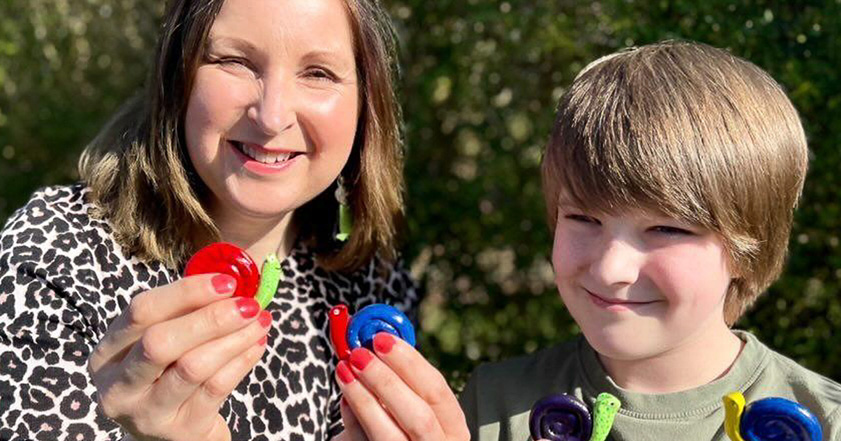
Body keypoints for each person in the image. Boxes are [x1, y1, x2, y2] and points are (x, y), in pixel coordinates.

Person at [0, 0, 418, 439]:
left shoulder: (373, 285)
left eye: (318, 73)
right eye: (234, 61)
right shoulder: (53, 253)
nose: (272, 116)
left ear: (365, 103)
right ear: (177, 77)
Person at [457, 40, 841, 440]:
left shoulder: (827, 422)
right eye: (584, 218)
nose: (610, 269)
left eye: (667, 229)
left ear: (749, 248)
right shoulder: (495, 408)